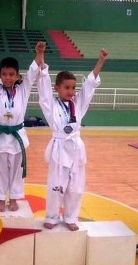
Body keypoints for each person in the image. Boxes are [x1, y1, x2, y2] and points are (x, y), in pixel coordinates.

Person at [36, 42, 108, 231]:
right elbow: (43, 90)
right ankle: (51, 217)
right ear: (57, 88)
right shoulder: (50, 105)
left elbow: (90, 85)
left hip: (75, 149)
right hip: (59, 149)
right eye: (66, 87)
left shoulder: (79, 104)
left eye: (73, 88)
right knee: (55, 186)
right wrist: (41, 55)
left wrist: (100, 61)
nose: (71, 91)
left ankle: (70, 217)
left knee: (75, 188)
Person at [0, 33, 41, 212]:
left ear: (17, 76)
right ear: (0, 75)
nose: (7, 77)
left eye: (11, 74)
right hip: (0, 136)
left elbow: (32, 74)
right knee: (0, 169)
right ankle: (0, 198)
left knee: (17, 168)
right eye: (4, 74)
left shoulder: (23, 90)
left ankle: (14, 198)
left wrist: (39, 54)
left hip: (17, 136)